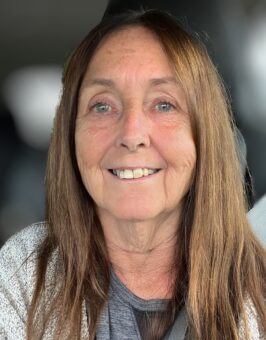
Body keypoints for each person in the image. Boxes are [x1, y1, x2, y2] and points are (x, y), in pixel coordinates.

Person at [0, 9, 265, 340]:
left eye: (164, 104)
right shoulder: (23, 276)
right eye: (102, 105)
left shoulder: (259, 293)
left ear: (203, 138)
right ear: (70, 137)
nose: (131, 133)